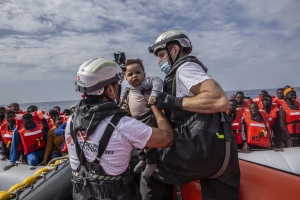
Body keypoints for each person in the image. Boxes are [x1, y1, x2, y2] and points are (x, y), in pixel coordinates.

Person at [148, 30, 240, 200]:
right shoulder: (196, 68)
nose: (159, 61)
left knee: (151, 171)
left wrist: (172, 102)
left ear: (175, 49)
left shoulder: (185, 68)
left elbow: (220, 100)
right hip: (225, 153)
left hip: (201, 151)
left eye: (161, 55)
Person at [68, 57, 174, 200]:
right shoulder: (124, 125)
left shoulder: (71, 120)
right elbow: (167, 139)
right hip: (116, 193)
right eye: (118, 84)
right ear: (110, 89)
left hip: (81, 192)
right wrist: (155, 107)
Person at [119, 58, 163, 179]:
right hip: (136, 118)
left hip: (147, 116)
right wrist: (122, 99)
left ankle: (151, 163)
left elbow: (158, 81)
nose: (135, 76)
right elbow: (124, 92)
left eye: (138, 72)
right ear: (125, 78)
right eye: (130, 74)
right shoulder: (128, 87)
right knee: (137, 141)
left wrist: (154, 94)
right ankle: (143, 159)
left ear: (144, 74)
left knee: (148, 142)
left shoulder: (146, 82)